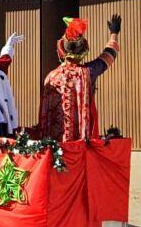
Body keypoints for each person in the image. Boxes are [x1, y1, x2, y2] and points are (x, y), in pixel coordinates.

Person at [37, 14, 122, 142]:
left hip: (54, 145)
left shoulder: (50, 77)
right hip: (79, 144)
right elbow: (108, 56)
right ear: (83, 51)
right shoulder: (88, 72)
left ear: (61, 51)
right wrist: (114, 33)